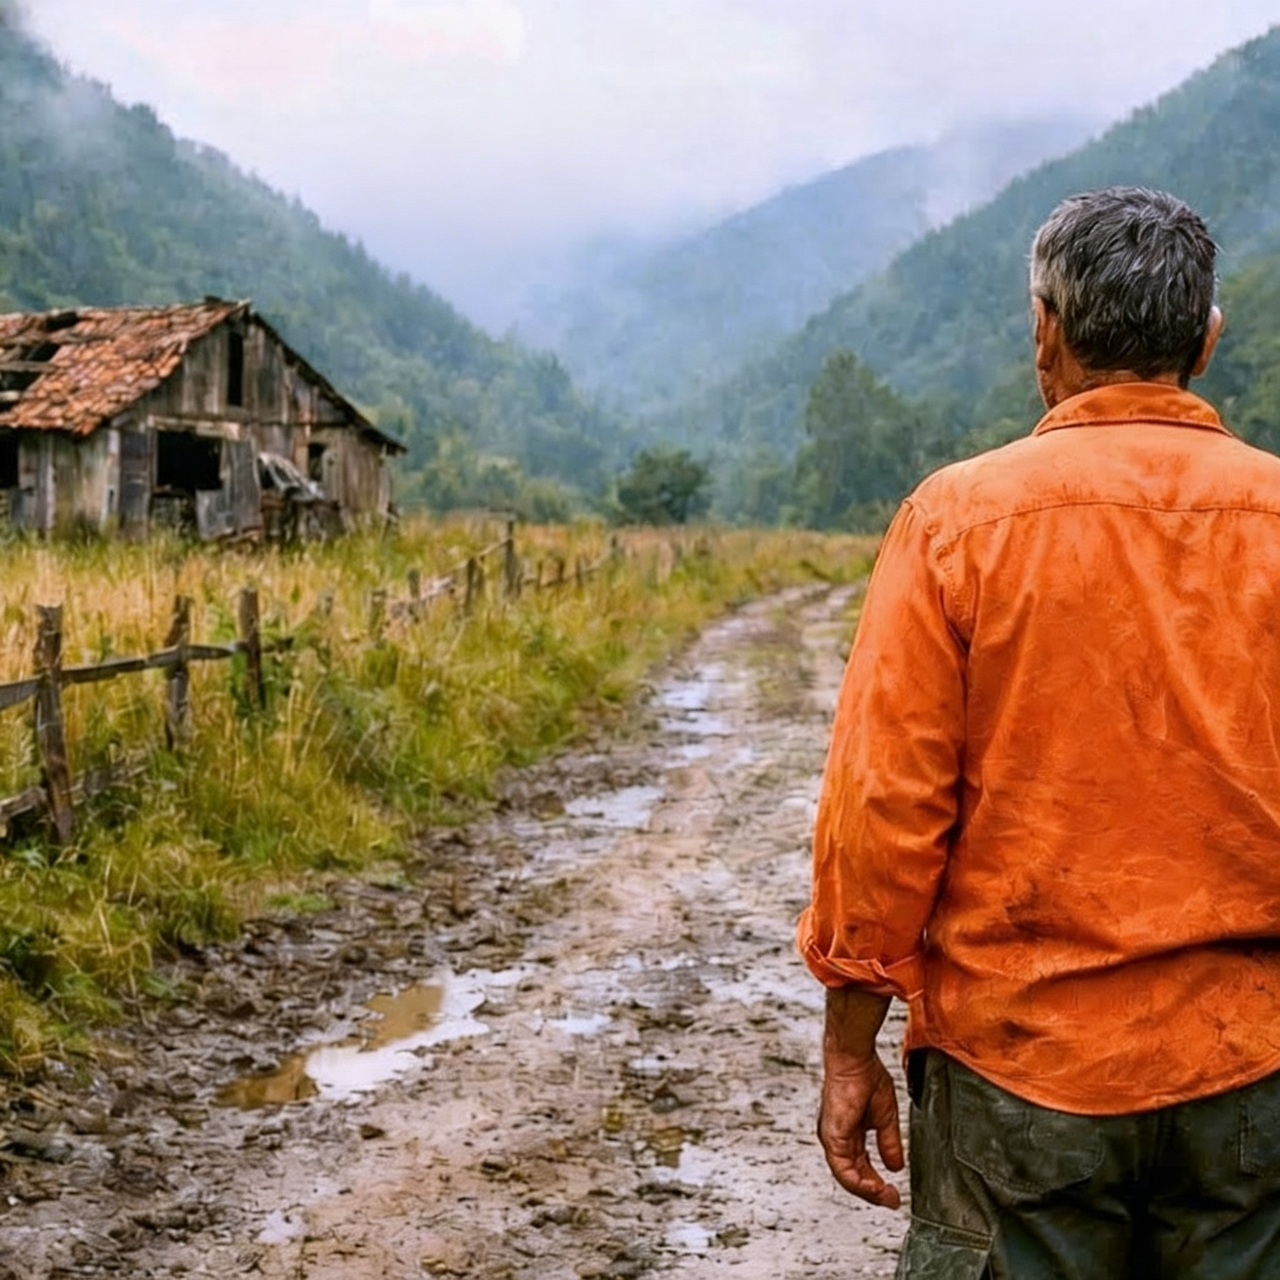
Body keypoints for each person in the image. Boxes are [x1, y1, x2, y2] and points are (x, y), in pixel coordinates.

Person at [797, 185, 1280, 1279]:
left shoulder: (957, 522)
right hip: (1252, 1074)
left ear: (1043, 330)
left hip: (1019, 1075)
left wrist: (847, 1044)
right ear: (1204, 339)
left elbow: (885, 808)